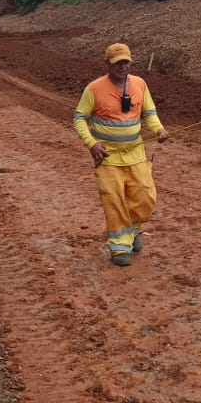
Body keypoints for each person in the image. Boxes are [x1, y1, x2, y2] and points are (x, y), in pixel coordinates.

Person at [73, 42, 166, 266]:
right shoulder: (94, 89)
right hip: (107, 158)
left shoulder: (140, 85)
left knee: (146, 197)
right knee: (114, 202)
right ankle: (119, 248)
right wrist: (92, 144)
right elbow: (79, 119)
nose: (122, 67)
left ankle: (132, 232)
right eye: (117, 63)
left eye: (126, 62)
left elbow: (149, 113)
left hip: (136, 155)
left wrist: (158, 129)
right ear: (108, 64)